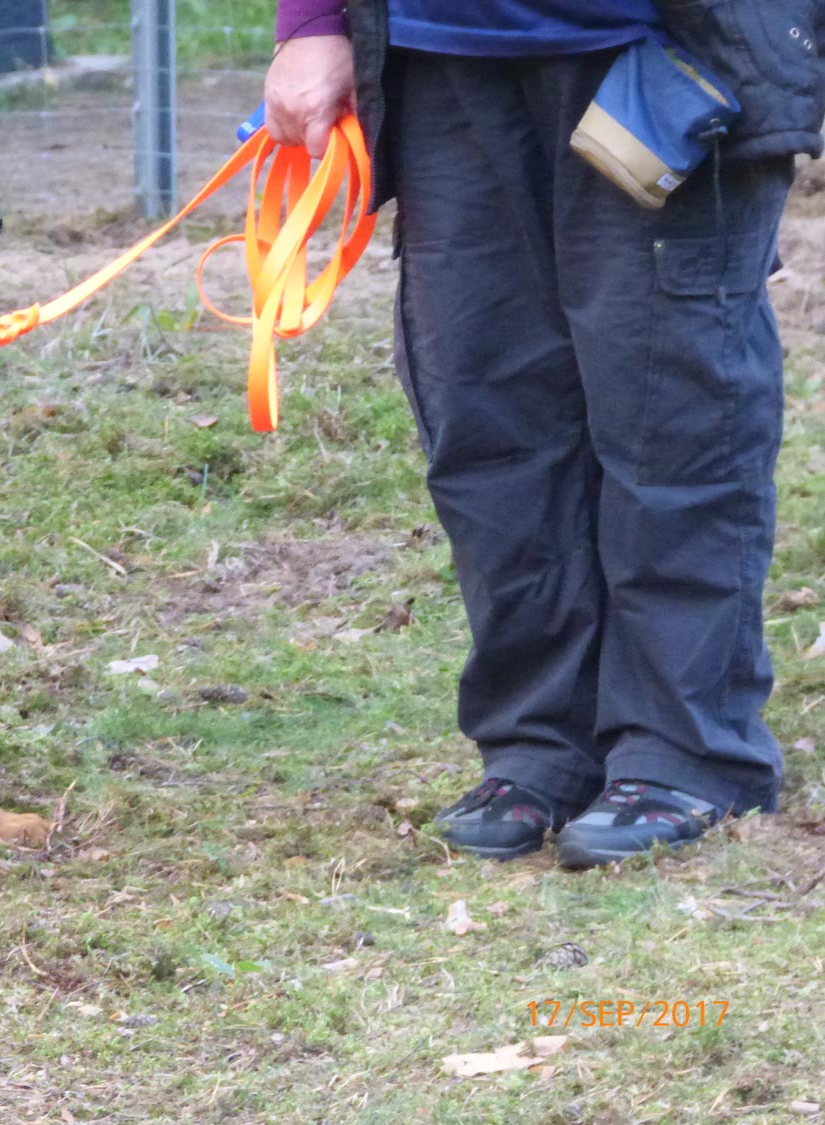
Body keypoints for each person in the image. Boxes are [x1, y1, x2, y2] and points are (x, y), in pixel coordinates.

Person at [265, 1, 824, 866]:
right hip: (443, 53)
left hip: (666, 42)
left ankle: (687, 752)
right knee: (489, 420)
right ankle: (541, 743)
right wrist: (310, 22)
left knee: (673, 418)